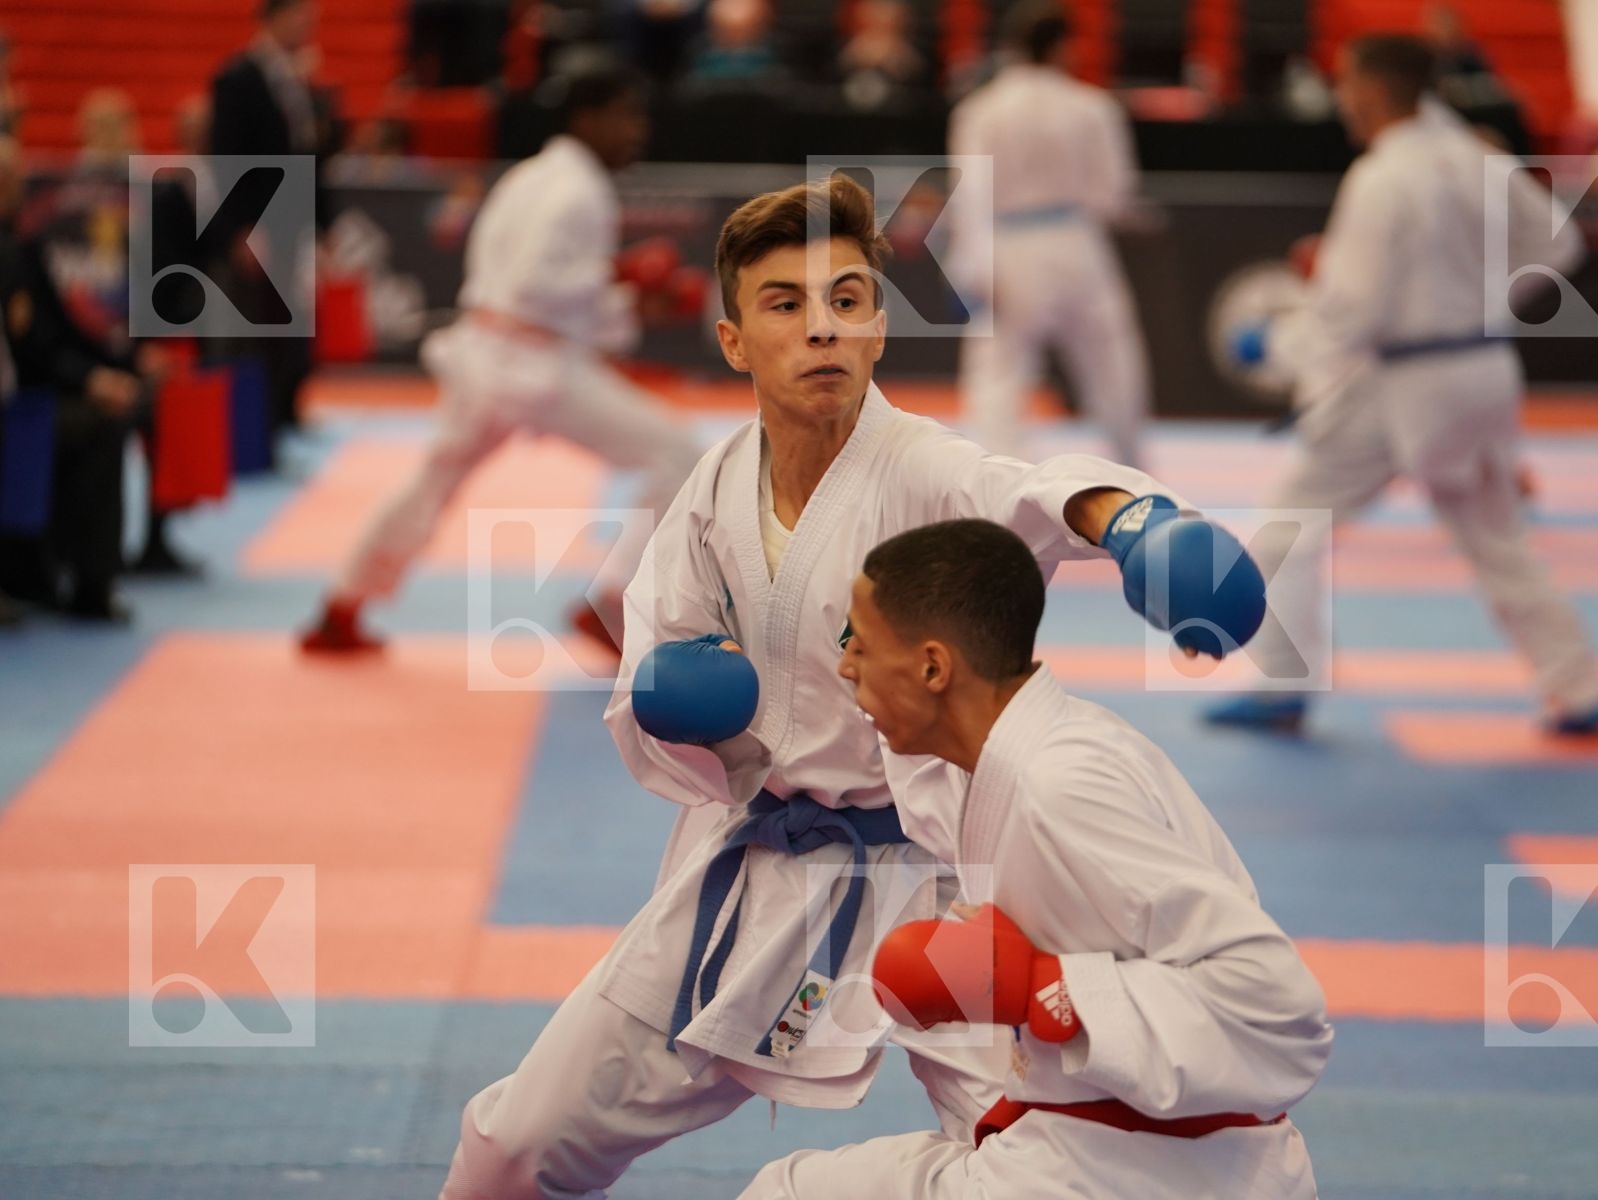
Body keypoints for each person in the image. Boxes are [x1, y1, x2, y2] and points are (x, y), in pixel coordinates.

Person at [435, 173, 1268, 1199]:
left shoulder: (923, 472)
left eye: (847, 300)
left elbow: (1031, 494)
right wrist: (683, 707)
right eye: (785, 304)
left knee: (1059, 1164)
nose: (822, 327)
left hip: (950, 883)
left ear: (877, 329)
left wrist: (1137, 522)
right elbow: (659, 692)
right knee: (514, 1147)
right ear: (735, 340)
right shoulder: (710, 495)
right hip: (764, 872)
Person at [741, 518, 1330, 1197]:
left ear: (932, 667)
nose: (845, 667)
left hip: (1150, 1173)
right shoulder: (997, 755)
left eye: (862, 647)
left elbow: (1275, 1006)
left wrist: (1042, 986)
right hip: (1100, 1146)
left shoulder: (1061, 789)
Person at [1210, 35, 1598, 737]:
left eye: (1345, 85)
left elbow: (1350, 311)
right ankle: (1581, 690)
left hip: (1404, 383)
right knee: (1500, 541)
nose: (1341, 99)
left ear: (1372, 92)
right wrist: (1482, 307)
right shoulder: (1474, 155)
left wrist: (1274, 345)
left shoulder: (1382, 177)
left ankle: (1283, 685)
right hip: (1482, 369)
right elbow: (1560, 243)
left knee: (1286, 527)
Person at [300, 62, 701, 654]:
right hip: (533, 366)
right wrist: (622, 281)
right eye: (625, 118)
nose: (636, 132)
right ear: (586, 119)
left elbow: (512, 283)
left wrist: (621, 294)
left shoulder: (526, 176)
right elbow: (532, 287)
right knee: (679, 452)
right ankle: (614, 599)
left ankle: (344, 601)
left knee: (430, 482)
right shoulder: (579, 190)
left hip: (485, 353)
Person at [946, 0, 1149, 467]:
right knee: (1112, 363)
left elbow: (970, 194)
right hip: (1075, 240)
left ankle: (998, 476)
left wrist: (970, 267)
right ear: (1063, 47)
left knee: (999, 372)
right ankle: (1132, 464)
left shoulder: (981, 109)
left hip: (1009, 244)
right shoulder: (1091, 107)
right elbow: (1114, 193)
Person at [0, 136, 143, 622]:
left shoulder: (23, 249)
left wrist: (111, 371)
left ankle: (74, 574)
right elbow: (31, 349)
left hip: (29, 395)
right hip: (22, 404)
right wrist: (87, 381)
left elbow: (55, 332)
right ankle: (84, 582)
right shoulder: (12, 255)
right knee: (99, 425)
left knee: (115, 410)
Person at [208, 0, 335, 442]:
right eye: (300, 15)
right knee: (264, 326)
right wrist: (240, 227)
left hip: (294, 220)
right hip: (260, 224)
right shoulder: (238, 78)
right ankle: (259, 426)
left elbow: (310, 156)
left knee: (296, 321)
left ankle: (286, 410)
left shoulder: (298, 79)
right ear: (274, 17)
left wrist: (322, 223)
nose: (308, 24)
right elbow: (226, 158)